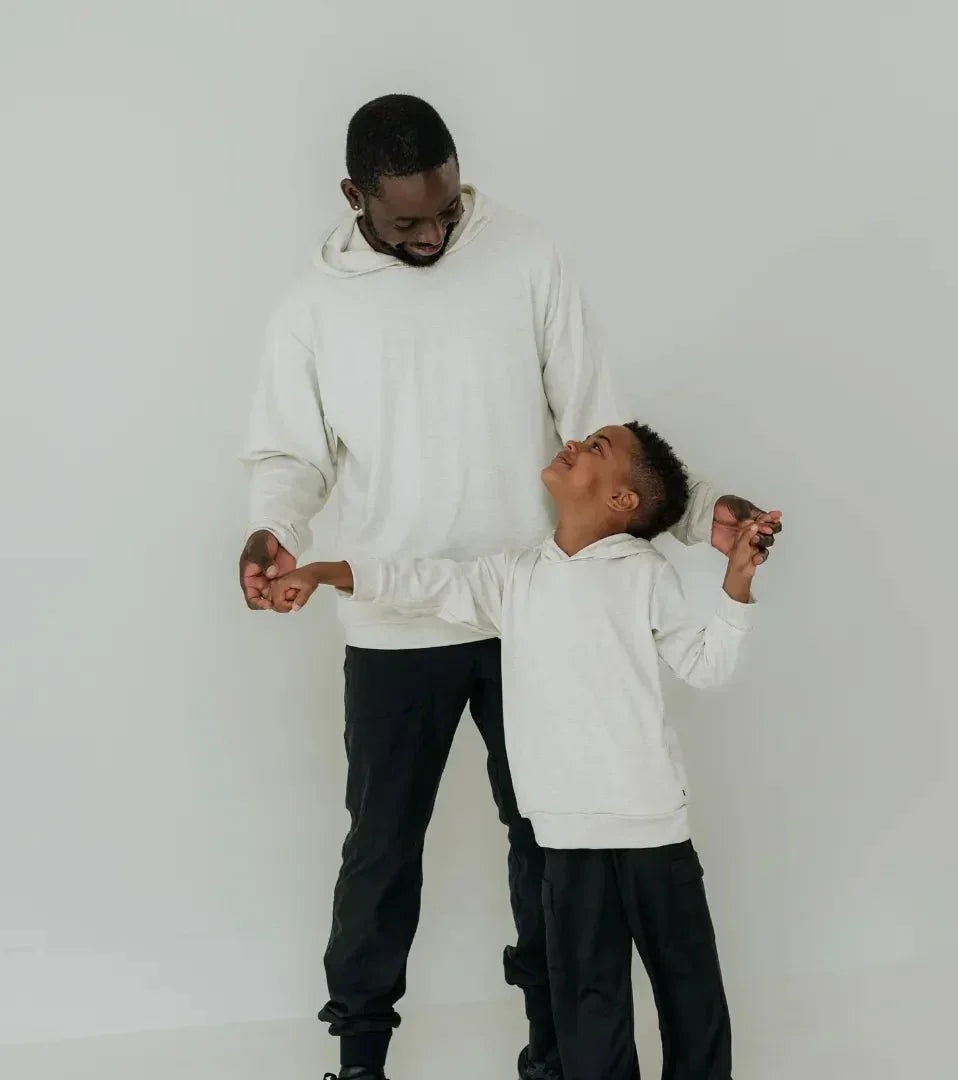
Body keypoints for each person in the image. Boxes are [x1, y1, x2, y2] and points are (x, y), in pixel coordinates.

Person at [240, 94, 781, 1080]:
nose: (436, 230)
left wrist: (707, 514)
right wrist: (277, 538)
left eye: (446, 206)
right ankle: (360, 1058)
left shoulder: (525, 256)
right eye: (408, 219)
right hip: (398, 619)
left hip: (540, 610)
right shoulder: (309, 311)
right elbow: (289, 458)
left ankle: (556, 1053)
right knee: (381, 851)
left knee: (546, 841)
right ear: (353, 195)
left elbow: (601, 425)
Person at [270, 422, 763, 1080]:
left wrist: (736, 587)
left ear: (621, 502)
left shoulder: (647, 576)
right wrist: (326, 570)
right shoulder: (514, 578)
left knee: (688, 989)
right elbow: (422, 583)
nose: (576, 443)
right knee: (590, 1004)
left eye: (597, 449)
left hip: (653, 829)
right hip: (564, 837)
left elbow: (704, 664)